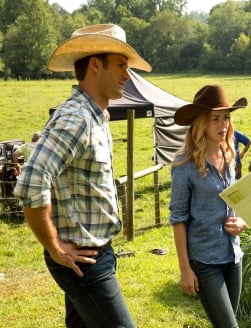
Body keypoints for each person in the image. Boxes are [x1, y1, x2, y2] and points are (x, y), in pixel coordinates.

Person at [14, 23, 151, 328]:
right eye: (120, 65)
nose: (127, 76)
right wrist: (55, 246)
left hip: (94, 252)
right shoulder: (76, 118)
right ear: (94, 65)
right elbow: (31, 182)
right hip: (84, 262)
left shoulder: (95, 115)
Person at [169, 84, 248, 328]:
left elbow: (235, 200)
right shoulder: (185, 164)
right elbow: (178, 219)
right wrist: (185, 269)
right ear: (200, 123)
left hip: (233, 256)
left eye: (226, 118)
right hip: (204, 261)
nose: (223, 125)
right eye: (215, 119)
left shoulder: (229, 155)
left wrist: (241, 221)